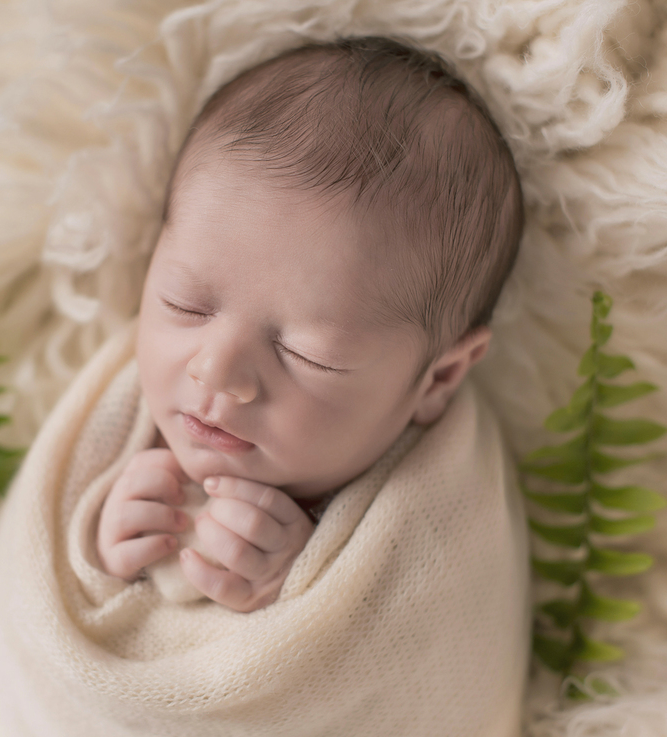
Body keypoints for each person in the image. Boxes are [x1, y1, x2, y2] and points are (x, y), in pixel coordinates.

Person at [96, 34, 524, 612]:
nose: (216, 371)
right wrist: (101, 547)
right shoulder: (120, 430)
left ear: (439, 378)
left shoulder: (437, 503)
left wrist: (303, 589)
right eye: (186, 304)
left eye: (308, 354)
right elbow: (42, 589)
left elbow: (419, 645)